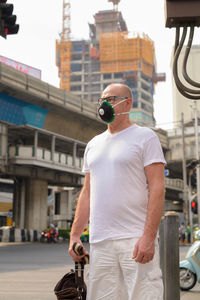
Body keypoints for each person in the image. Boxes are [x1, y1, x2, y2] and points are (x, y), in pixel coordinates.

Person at [68, 83, 166, 300]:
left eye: (111, 99)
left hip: (135, 239)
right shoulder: (93, 144)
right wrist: (75, 235)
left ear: (127, 103)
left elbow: (158, 188)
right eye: (102, 100)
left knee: (144, 295)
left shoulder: (145, 137)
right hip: (101, 241)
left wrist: (148, 237)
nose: (104, 104)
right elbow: (87, 193)